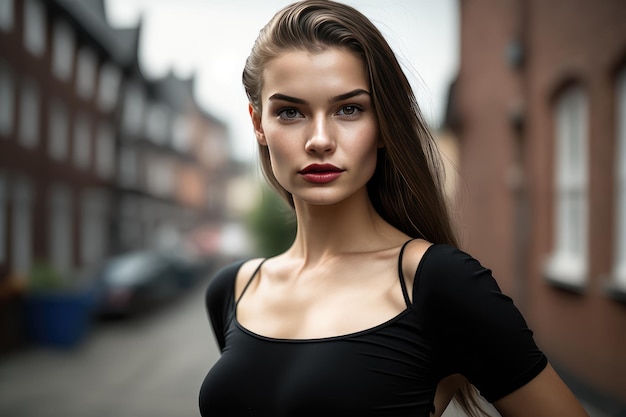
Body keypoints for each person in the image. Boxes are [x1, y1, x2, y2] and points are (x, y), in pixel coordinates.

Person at [199, 1, 590, 416]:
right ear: (259, 123)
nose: (319, 139)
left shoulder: (439, 282)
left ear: (384, 123)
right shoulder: (232, 290)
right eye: (290, 112)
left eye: (349, 109)